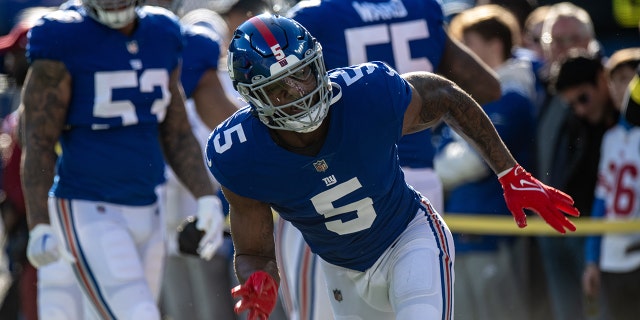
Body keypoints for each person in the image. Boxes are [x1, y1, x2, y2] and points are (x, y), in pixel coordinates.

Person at [208, 13, 580, 320]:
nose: (299, 92)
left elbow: (445, 95)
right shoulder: (239, 154)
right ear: (253, 98)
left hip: (407, 239)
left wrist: (508, 171)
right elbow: (255, 251)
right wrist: (259, 279)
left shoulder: (365, 95)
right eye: (279, 89)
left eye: (303, 73)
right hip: (341, 268)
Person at [282, 0, 501, 318]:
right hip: (420, 190)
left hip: (342, 187)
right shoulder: (420, 7)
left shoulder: (313, 16)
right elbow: (487, 86)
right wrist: (417, 108)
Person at [21, 1, 226, 319]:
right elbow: (37, 140)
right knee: (138, 314)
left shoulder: (162, 32)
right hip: (89, 206)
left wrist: (205, 197)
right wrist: (39, 224)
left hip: (150, 203)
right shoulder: (65, 36)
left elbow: (176, 129)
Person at [438, 5, 537, 319]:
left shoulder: (513, 97)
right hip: (465, 235)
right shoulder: (480, 97)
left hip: (494, 237)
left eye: (469, 47)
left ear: (494, 46)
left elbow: (473, 161)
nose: (462, 57)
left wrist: (422, 175)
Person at [547, 48, 620, 320]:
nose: (580, 109)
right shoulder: (577, 122)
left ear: (603, 80)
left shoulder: (626, 124)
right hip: (586, 232)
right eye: (572, 104)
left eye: (583, 99)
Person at [581, 47, 640, 320]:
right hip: (612, 257)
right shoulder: (611, 137)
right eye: (615, 80)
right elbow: (601, 201)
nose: (621, 87)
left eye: (628, 78)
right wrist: (593, 259)